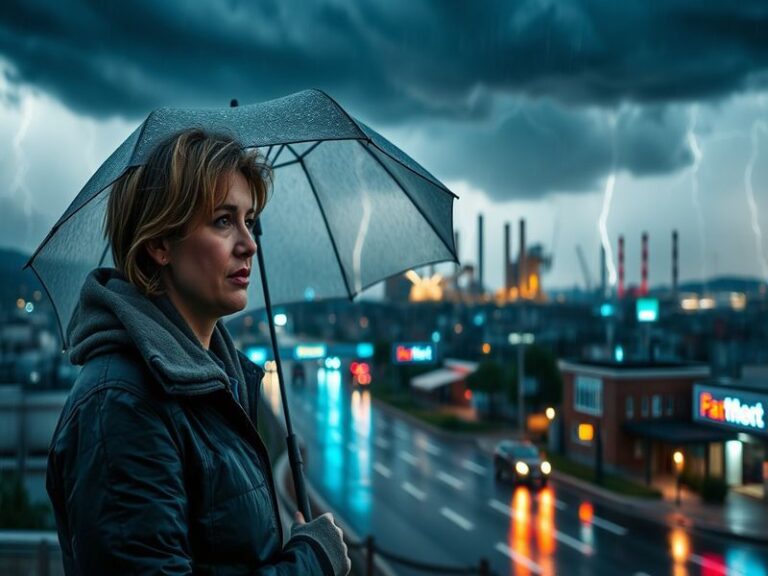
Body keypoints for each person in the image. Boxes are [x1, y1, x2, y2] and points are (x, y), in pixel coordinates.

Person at [46, 129, 351, 575]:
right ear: (159, 243)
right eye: (224, 221)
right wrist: (311, 562)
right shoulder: (122, 404)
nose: (249, 244)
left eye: (251, 220)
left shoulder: (209, 385)